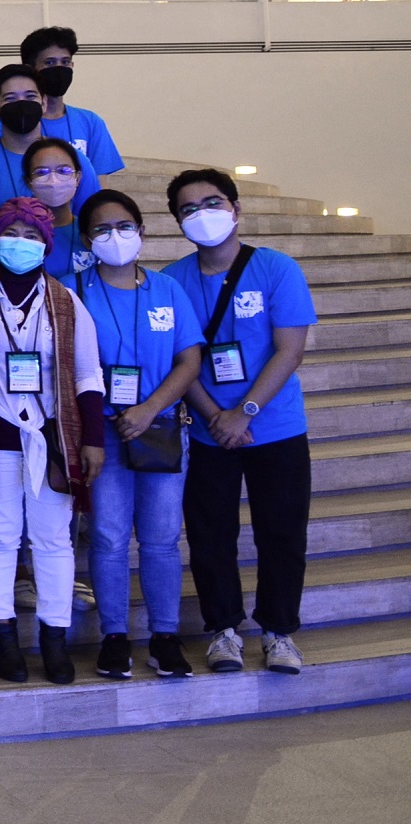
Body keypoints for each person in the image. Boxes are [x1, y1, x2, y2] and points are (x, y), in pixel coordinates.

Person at [0, 196, 105, 685]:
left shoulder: (67, 301)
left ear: (47, 244)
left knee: (52, 540)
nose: (21, 243)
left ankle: (55, 638)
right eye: (11, 233)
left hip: (53, 438)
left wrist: (92, 439)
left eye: (32, 236)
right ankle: (3, 637)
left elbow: (88, 376)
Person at [161, 168, 315, 676]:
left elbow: (289, 351)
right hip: (208, 433)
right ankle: (223, 630)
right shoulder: (173, 281)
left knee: (282, 533)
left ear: (236, 209)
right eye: (188, 209)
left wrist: (243, 412)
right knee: (209, 534)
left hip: (276, 428)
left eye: (212, 203)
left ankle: (278, 632)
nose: (201, 215)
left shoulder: (276, 269)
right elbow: (181, 360)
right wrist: (215, 416)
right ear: (177, 222)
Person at [65, 190, 203, 680]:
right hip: (101, 434)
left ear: (142, 232)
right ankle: (115, 637)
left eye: (124, 226)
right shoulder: (72, 290)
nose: (114, 237)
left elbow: (190, 359)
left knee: (163, 539)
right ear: (86, 239)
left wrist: (148, 409)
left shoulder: (167, 289)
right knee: (106, 537)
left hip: (160, 428)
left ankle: (165, 636)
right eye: (101, 229)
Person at [0, 65, 103, 279]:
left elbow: (93, 220)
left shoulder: (76, 162)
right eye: (10, 98)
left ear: (44, 102)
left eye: (30, 96)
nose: (21, 105)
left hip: (74, 282)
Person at [20, 27, 125, 175]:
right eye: (49, 63)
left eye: (65, 62)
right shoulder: (12, 123)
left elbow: (100, 183)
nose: (59, 69)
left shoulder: (91, 122)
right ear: (30, 69)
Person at [23, 137, 95, 277]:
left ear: (78, 178)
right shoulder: (9, 233)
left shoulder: (92, 233)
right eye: (42, 172)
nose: (53, 180)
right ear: (28, 182)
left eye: (64, 170)